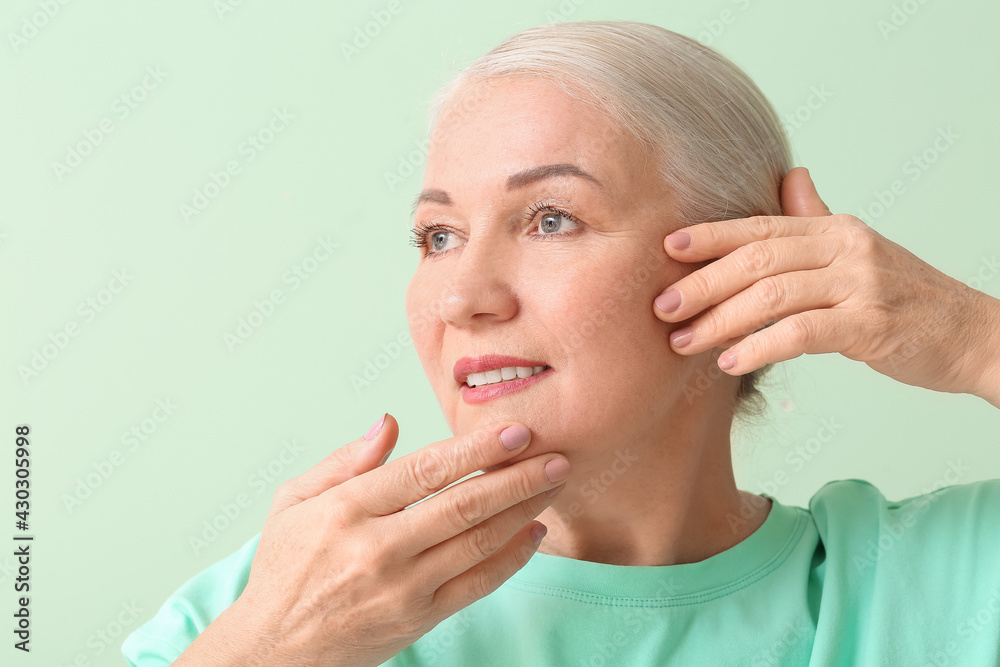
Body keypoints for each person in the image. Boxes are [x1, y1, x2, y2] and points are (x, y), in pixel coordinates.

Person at [123, 20, 1000, 666]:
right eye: (437, 235)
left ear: (746, 261)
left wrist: (970, 336)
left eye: (550, 219)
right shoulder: (298, 594)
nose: (461, 296)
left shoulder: (931, 584)